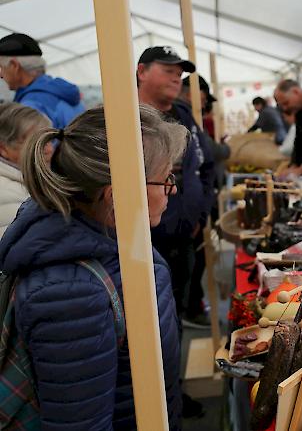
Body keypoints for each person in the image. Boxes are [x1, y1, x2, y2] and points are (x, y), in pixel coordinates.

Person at [0, 105, 186, 429]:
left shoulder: (112, 238)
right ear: (117, 197)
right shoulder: (71, 295)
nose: (172, 189)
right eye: (166, 179)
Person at [137, 45, 215, 416]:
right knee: (148, 327)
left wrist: (204, 210)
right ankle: (154, 403)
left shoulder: (183, 114)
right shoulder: (125, 118)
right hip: (144, 245)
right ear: (141, 72)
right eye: (167, 69)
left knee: (176, 320)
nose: (176, 76)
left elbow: (205, 164)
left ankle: (172, 393)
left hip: (186, 240)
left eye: (179, 71)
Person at [178, 74, 231, 328]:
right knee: (188, 265)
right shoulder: (186, 119)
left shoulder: (191, 118)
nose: (204, 100)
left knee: (195, 261)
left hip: (197, 206)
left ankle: (191, 305)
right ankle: (189, 307)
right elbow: (208, 154)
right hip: (185, 212)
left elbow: (206, 160)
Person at [0, 33, 84, 128]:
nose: (0, 75)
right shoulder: (60, 90)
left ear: (14, 65)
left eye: (1, 67)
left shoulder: (31, 107)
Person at [0, 102, 51, 237]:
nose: (49, 149)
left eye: (49, 140)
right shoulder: (8, 194)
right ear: (4, 149)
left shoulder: (28, 182)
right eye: (36, 143)